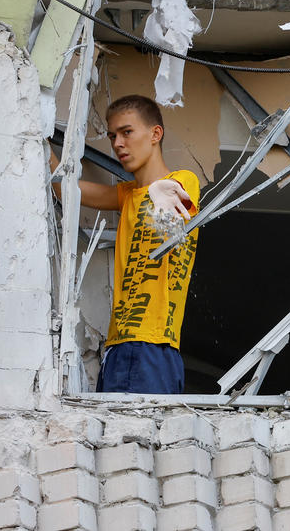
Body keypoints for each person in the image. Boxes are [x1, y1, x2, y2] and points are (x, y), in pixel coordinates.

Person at [50, 95, 200, 394]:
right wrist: (38, 132)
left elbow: (173, 201)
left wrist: (157, 192)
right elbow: (64, 189)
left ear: (155, 134)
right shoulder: (128, 195)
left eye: (127, 132)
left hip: (150, 344)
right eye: (112, 135)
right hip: (121, 346)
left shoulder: (182, 180)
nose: (118, 143)